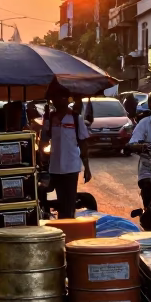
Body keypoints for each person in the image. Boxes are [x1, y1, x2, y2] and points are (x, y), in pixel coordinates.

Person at [39, 85, 91, 218]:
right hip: (55, 167)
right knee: (59, 200)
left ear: (67, 100)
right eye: (54, 98)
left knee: (69, 202)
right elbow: (44, 139)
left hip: (71, 167)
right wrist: (41, 157)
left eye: (59, 98)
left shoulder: (75, 118)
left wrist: (87, 168)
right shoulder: (49, 118)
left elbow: (83, 143)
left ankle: (68, 223)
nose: (56, 101)